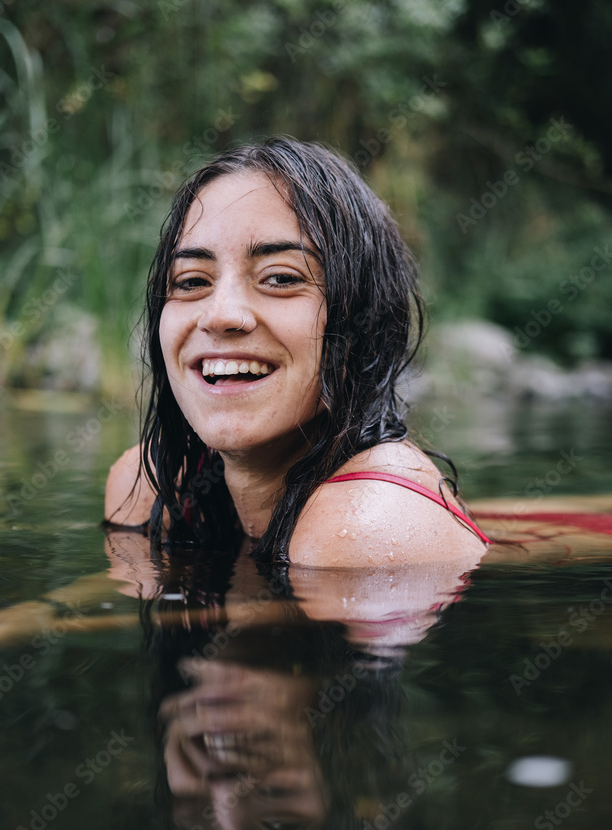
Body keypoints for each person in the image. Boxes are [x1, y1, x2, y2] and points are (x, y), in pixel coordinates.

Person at [105, 136, 490, 568]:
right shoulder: (152, 486)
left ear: (362, 320)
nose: (220, 315)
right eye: (192, 281)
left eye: (281, 278)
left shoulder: (363, 526)